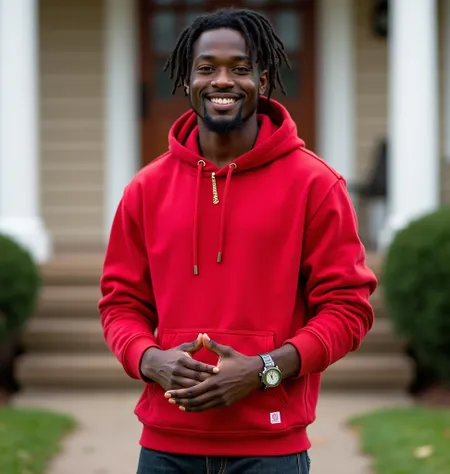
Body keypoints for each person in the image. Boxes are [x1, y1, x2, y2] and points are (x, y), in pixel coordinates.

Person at [98, 7, 378, 474]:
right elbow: (120, 304)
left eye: (240, 69)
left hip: (271, 448)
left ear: (263, 82)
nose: (222, 81)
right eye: (206, 68)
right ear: (186, 81)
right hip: (166, 448)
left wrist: (266, 368)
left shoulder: (315, 185)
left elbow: (348, 308)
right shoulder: (145, 190)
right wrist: (150, 360)